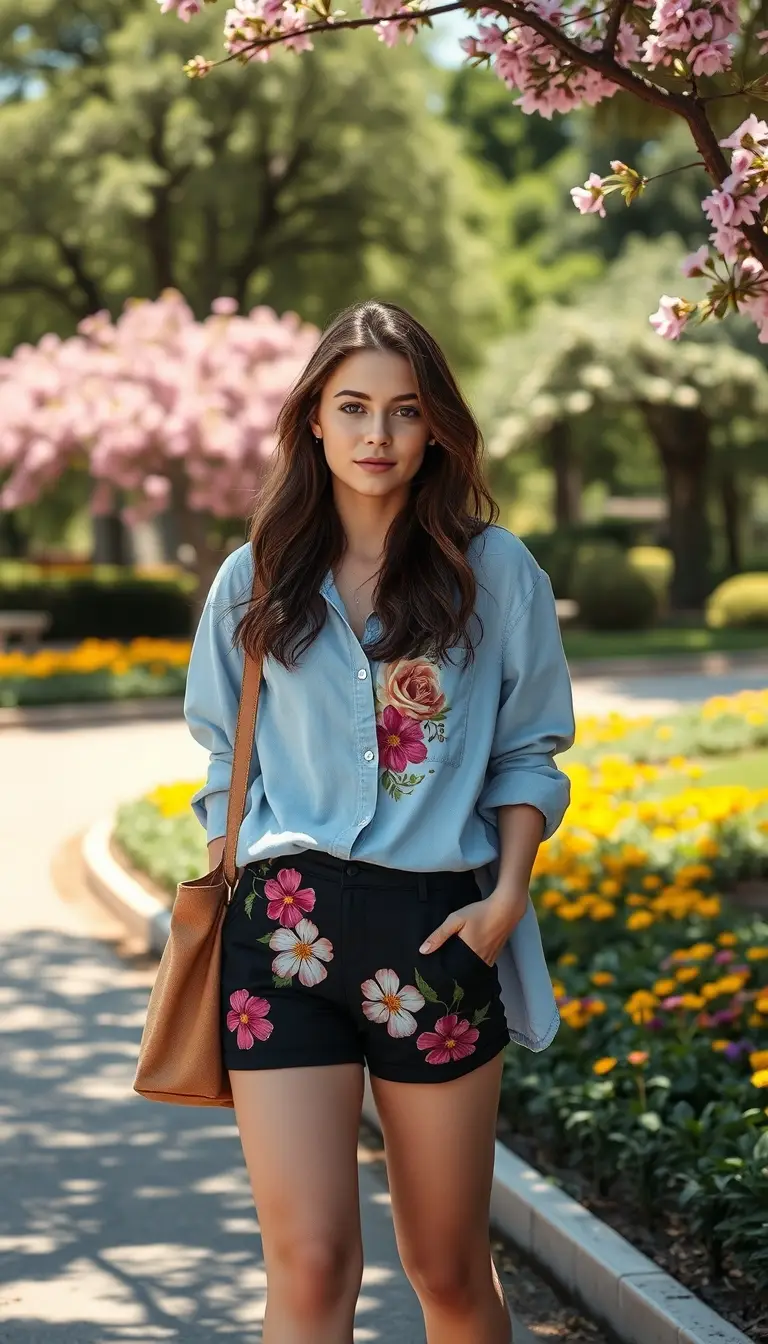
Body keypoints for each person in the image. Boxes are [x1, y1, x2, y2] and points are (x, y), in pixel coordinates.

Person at [183, 299, 575, 1344]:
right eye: (352, 407)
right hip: (284, 939)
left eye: (405, 412)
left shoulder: (497, 575)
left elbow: (530, 749)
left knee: (444, 1269)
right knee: (309, 1266)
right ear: (312, 417)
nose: (377, 437)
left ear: (436, 426)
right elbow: (227, 757)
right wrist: (232, 873)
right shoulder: (256, 576)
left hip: (437, 936)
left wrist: (505, 899)